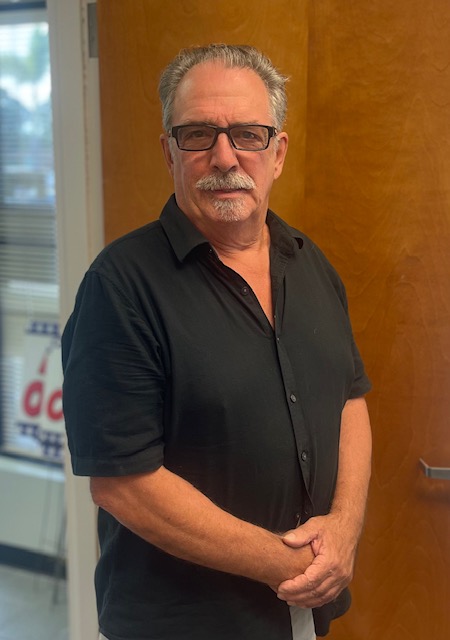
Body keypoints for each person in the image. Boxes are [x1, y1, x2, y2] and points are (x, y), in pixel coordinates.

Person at [62, 44, 372, 640]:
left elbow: (349, 397)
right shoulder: (119, 287)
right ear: (168, 152)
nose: (224, 156)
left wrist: (345, 525)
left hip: (301, 614)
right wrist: (287, 564)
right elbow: (123, 483)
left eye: (248, 135)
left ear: (277, 152)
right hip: (181, 625)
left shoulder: (309, 263)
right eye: (198, 135)